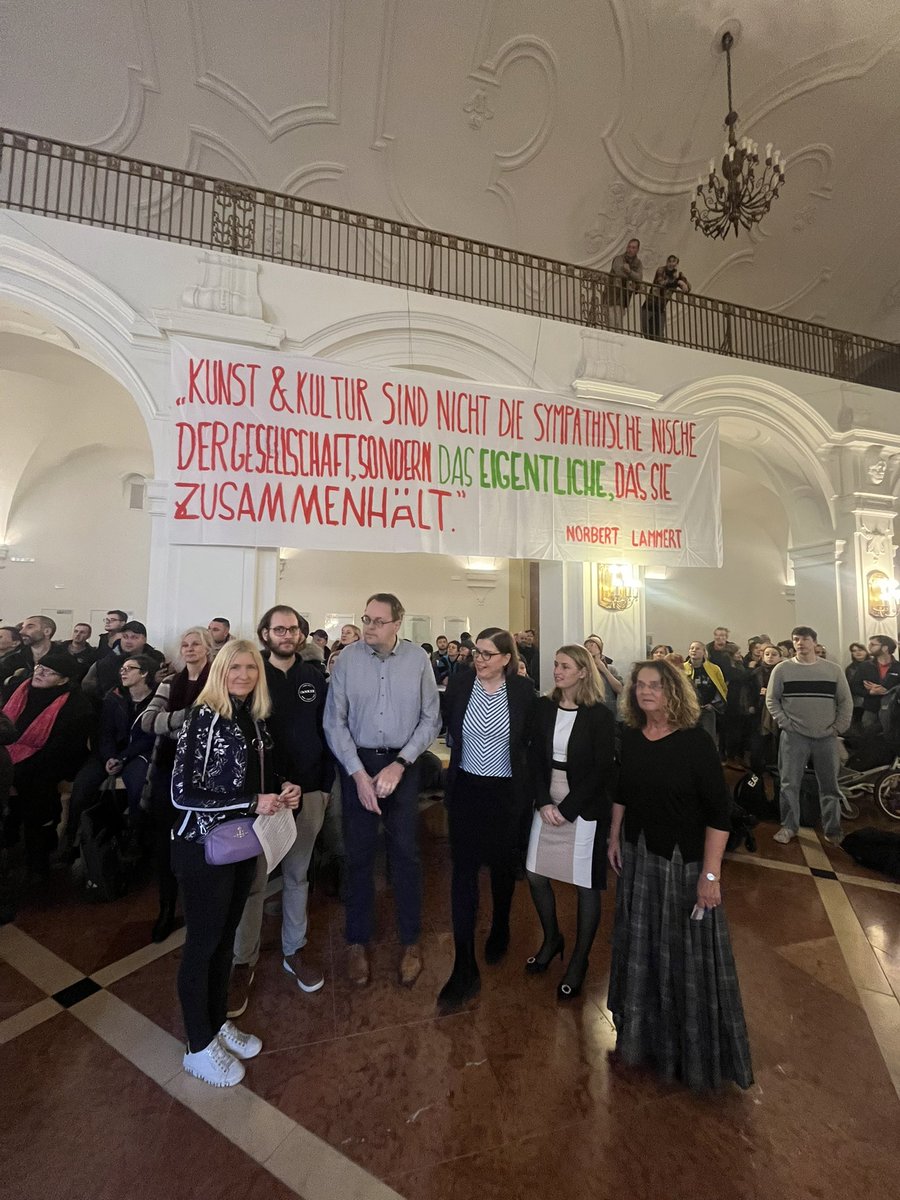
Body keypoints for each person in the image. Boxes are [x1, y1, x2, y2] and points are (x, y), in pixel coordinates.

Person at [607, 658, 753, 1090]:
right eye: (639, 686)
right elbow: (623, 792)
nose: (645, 692)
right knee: (642, 947)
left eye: (654, 685)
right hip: (639, 854)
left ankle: (687, 1049)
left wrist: (711, 875)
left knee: (680, 953)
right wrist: (615, 837)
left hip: (680, 862)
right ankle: (644, 1037)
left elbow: (719, 814)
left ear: (674, 691)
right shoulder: (632, 738)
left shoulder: (694, 743)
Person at [170, 639, 301, 1088]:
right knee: (203, 945)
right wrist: (252, 800)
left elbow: (260, 777)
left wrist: (284, 789)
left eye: (250, 668)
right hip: (204, 846)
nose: (243, 674)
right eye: (235, 667)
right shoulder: (203, 719)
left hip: (242, 844)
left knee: (225, 942)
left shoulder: (252, 719)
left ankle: (215, 1022)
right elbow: (182, 794)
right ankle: (197, 1045)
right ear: (220, 671)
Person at [324, 592, 440, 989]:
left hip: (401, 765)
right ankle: (357, 940)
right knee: (357, 855)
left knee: (405, 854)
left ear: (396, 624)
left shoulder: (417, 660)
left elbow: (430, 719)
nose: (369, 627)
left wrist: (401, 762)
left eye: (377, 621)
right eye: (366, 619)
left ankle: (410, 941)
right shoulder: (347, 661)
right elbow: (334, 723)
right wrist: (357, 774)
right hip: (357, 764)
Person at [228, 605, 332, 1017]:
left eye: (293, 629)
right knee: (254, 883)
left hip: (308, 792)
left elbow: (327, 728)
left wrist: (320, 786)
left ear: (301, 635)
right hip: (264, 798)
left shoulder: (313, 677)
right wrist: (270, 787)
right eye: (279, 629)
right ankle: (242, 962)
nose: (287, 635)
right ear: (265, 634)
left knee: (297, 875)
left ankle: (295, 950)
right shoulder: (253, 677)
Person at [438, 628, 537, 1009]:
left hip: (505, 793)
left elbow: (529, 743)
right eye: (477, 653)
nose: (480, 659)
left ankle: (500, 925)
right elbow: (449, 728)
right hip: (465, 789)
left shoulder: (524, 694)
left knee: (501, 865)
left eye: (489, 654)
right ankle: (463, 962)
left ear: (507, 659)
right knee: (462, 871)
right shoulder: (461, 686)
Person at [525, 644, 615, 999]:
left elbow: (601, 769)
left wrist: (568, 809)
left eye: (564, 666)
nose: (557, 671)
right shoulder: (544, 707)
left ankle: (579, 959)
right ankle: (552, 938)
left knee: (584, 884)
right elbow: (533, 757)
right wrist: (545, 801)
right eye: (555, 664)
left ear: (582, 671)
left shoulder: (599, 714)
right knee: (534, 873)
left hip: (583, 803)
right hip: (547, 797)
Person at [140, 626, 213, 942]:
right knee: (163, 844)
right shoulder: (169, 684)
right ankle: (166, 908)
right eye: (185, 644)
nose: (190, 648)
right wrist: (187, 718)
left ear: (209, 648)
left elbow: (215, 724)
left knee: (200, 843)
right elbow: (146, 722)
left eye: (196, 643)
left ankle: (202, 908)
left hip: (204, 776)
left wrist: (171, 725)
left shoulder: (218, 683)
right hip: (167, 771)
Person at [1, 651, 93, 878]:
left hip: (56, 758)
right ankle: (10, 840)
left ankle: (37, 853)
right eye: (40, 667)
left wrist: (26, 761)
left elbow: (67, 747)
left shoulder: (76, 704)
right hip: (15, 752)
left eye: (49, 672)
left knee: (35, 787)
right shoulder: (20, 690)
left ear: (63, 680)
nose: (40, 673)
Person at [766, 625, 853, 846]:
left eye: (805, 639)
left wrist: (838, 727)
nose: (800, 643)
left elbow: (845, 701)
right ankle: (789, 826)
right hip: (794, 736)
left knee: (829, 785)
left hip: (826, 736)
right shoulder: (782, 669)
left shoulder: (833, 670)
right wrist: (785, 723)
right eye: (796, 639)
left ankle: (832, 830)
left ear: (814, 642)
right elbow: (772, 700)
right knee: (789, 784)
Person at [61, 654, 157, 851]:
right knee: (83, 784)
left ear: (144, 673)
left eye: (130, 668)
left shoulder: (156, 700)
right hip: (108, 753)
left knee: (139, 783)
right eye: (122, 668)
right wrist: (110, 757)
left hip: (137, 752)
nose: (123, 671)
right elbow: (105, 733)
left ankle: (134, 836)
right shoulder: (114, 697)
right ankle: (72, 838)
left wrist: (122, 758)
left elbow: (150, 737)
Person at [684, 641, 727, 744]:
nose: (694, 650)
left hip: (707, 709)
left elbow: (721, 688)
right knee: (688, 738)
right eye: (692, 648)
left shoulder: (714, 669)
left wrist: (713, 704)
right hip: (688, 710)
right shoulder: (682, 668)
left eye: (697, 648)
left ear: (704, 652)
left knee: (708, 738)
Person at [641, 254, 690, 340]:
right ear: (666, 262)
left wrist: (682, 281)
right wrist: (678, 282)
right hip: (649, 305)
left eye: (673, 262)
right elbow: (661, 283)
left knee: (659, 334)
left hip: (660, 308)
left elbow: (688, 288)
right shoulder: (661, 270)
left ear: (677, 264)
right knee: (646, 332)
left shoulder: (678, 274)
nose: (671, 264)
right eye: (669, 261)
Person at [860, 635, 900, 729]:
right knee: (869, 738)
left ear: (885, 648)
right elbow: (854, 686)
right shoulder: (865, 666)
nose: (869, 646)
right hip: (871, 710)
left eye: (873, 644)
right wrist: (870, 692)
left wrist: (888, 691)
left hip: (894, 710)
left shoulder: (898, 667)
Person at [606, 237, 643, 330]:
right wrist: (631, 276)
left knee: (618, 321)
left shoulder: (638, 263)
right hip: (612, 294)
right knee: (612, 322)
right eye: (629, 247)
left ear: (637, 250)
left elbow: (639, 277)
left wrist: (629, 271)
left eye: (633, 247)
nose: (630, 249)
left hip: (624, 297)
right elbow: (619, 272)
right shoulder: (619, 258)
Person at [583, 635, 623, 714]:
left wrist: (604, 670)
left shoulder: (611, 669)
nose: (589, 647)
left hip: (608, 710)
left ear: (600, 648)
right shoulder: (582, 670)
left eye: (592, 644)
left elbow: (620, 689)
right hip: (587, 710)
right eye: (586, 646)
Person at [845, 642, 871, 735]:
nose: (857, 653)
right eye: (854, 651)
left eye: (860, 650)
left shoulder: (874, 665)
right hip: (857, 701)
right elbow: (850, 686)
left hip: (874, 699)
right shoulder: (850, 668)